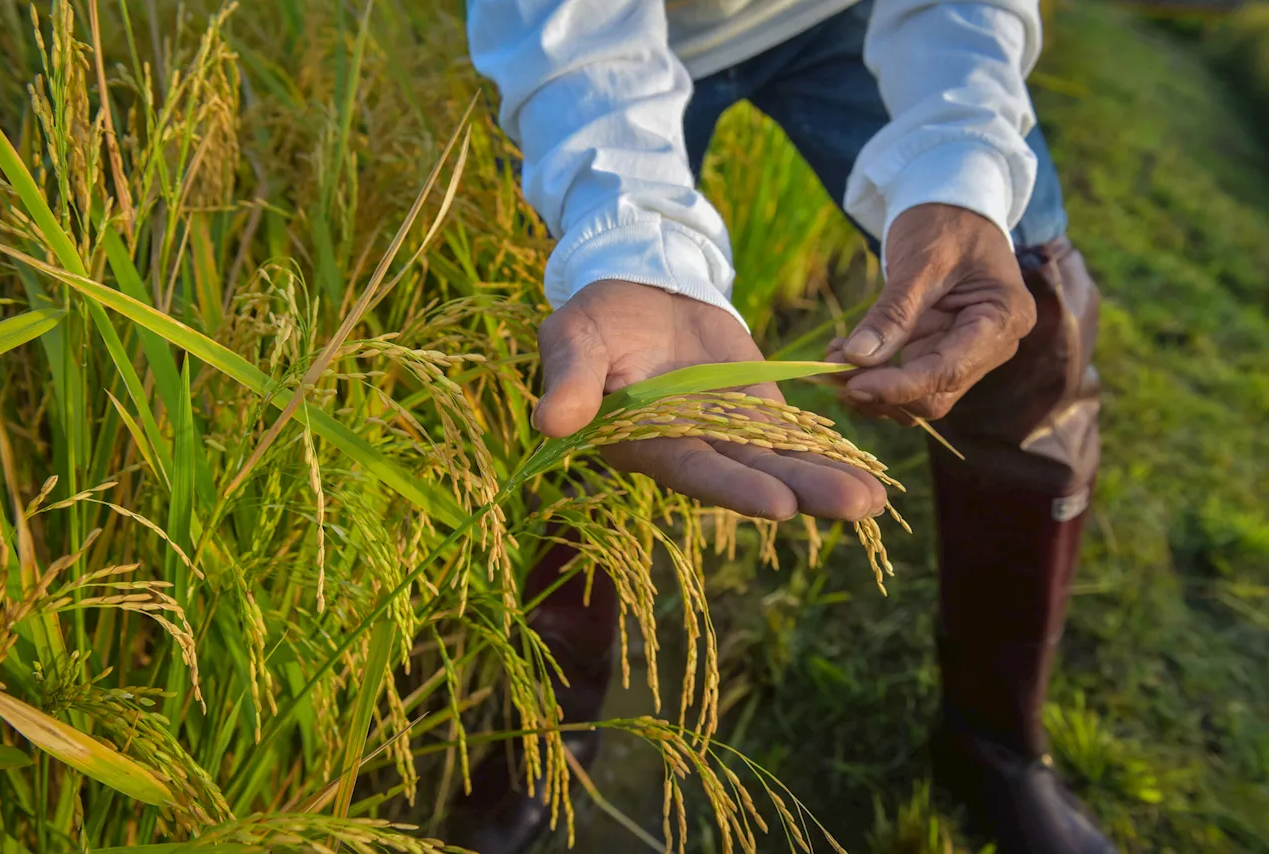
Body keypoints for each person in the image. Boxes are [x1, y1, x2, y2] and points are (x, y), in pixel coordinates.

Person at [449, 1, 1110, 852]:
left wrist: (962, 168)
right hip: (605, 38)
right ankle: (546, 738)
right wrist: (631, 245)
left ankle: (995, 744)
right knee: (597, 364)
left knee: (1027, 312)